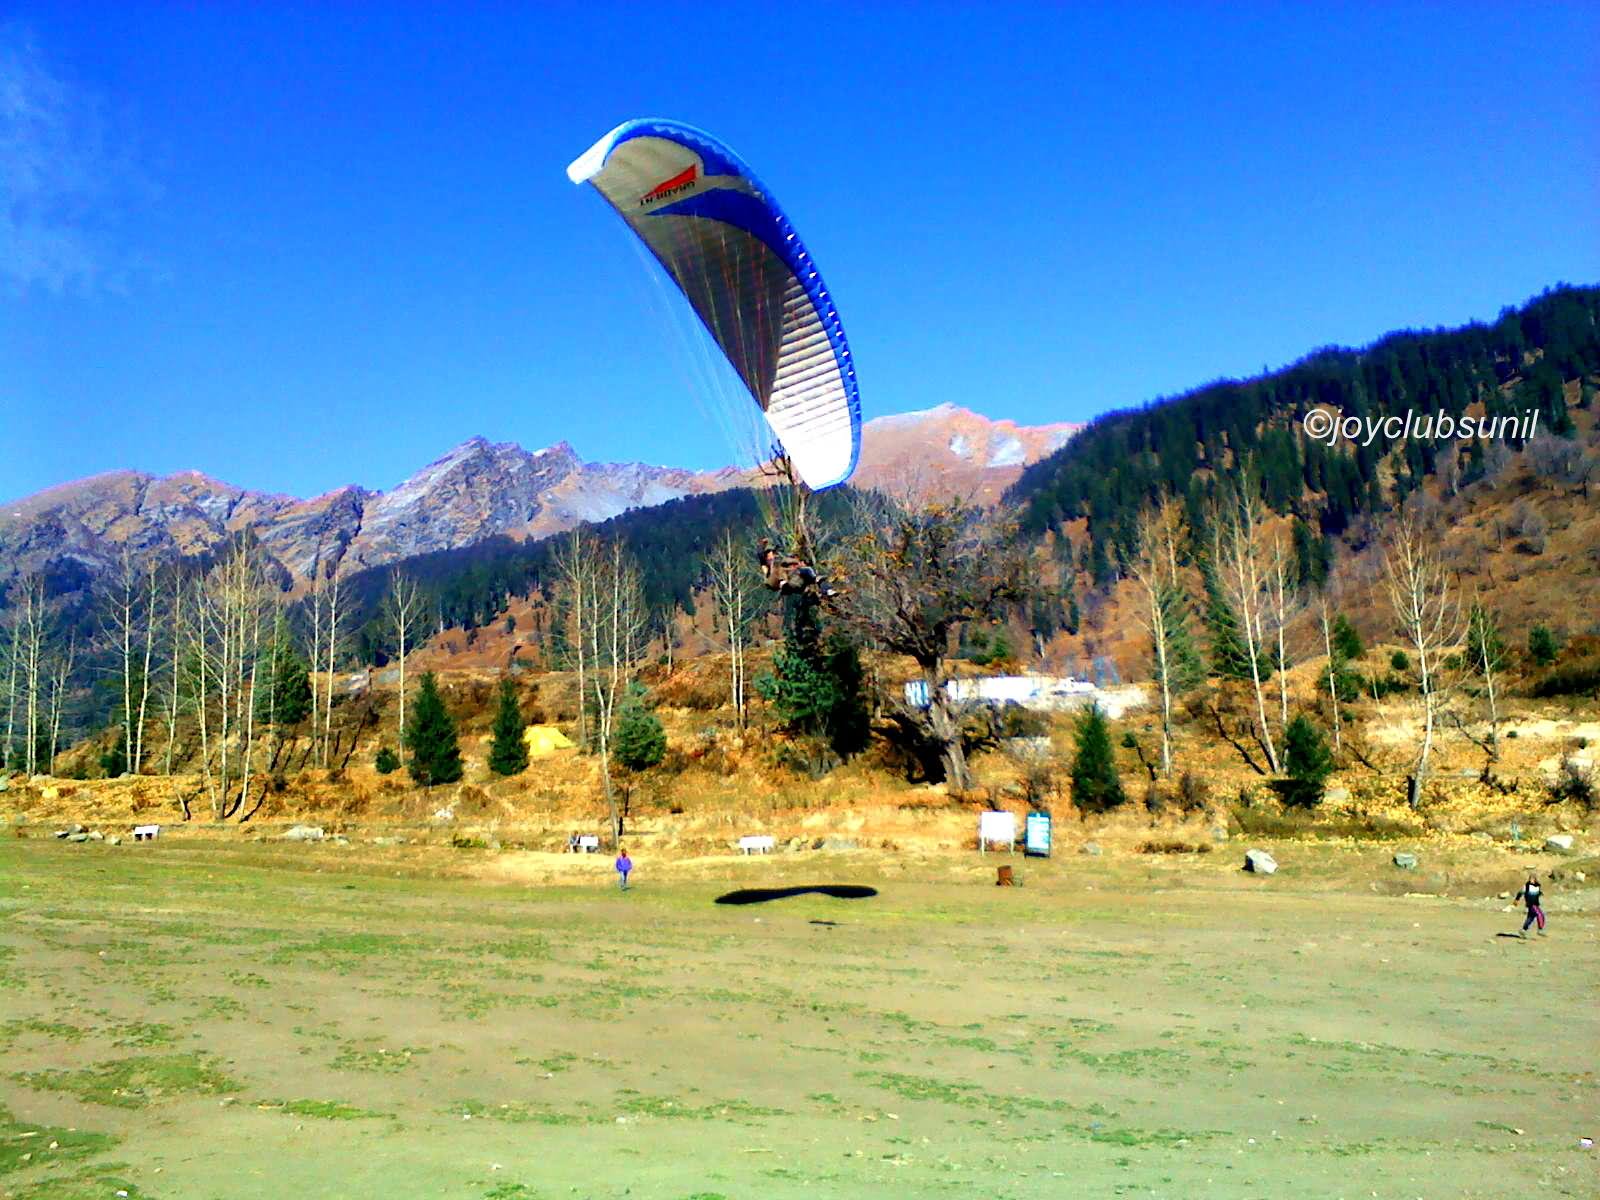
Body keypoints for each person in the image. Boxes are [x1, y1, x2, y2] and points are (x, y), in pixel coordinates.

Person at [756, 538, 839, 598]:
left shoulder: (785, 563)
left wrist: (798, 563)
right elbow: (761, 559)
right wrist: (761, 545)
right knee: (780, 570)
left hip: (795, 582)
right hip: (786, 583)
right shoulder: (769, 567)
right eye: (769, 553)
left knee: (813, 575)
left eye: (772, 553)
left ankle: (827, 590)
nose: (772, 555)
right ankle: (784, 584)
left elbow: (790, 562)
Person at [1514, 872, 1545, 937]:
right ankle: (1540, 929)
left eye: (1532, 878)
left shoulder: (1538, 885)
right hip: (1531, 904)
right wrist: (1516, 900)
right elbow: (1520, 892)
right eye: (1530, 878)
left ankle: (1523, 930)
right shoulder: (1526, 886)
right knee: (1540, 914)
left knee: (1531, 917)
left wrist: (1540, 893)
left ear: (1535, 879)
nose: (1531, 879)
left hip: (1536, 903)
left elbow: (1537, 893)